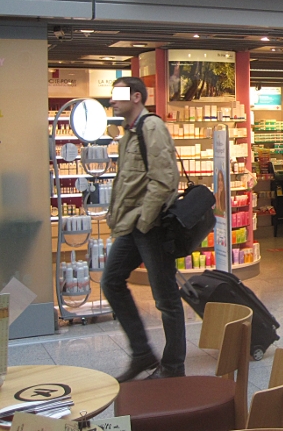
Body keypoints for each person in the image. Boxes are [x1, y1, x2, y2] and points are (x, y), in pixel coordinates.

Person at [101, 77, 184, 382]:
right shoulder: (129, 134)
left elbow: (164, 180)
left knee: (165, 298)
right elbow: (128, 181)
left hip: (149, 225)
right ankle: (142, 354)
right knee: (111, 281)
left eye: (117, 96)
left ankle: (174, 368)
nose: (113, 101)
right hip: (132, 225)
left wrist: (144, 220)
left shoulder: (151, 127)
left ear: (136, 97)